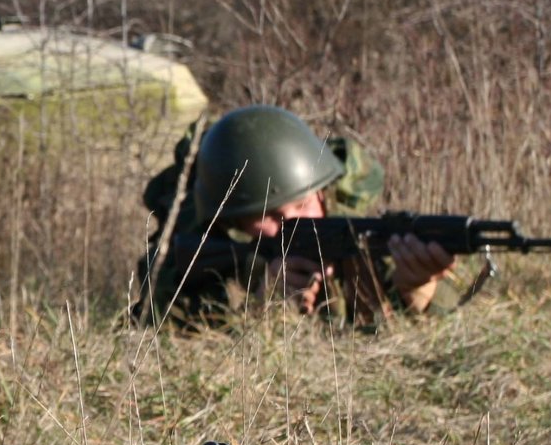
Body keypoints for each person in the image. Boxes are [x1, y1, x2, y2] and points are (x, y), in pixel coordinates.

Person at [137, 105, 460, 326]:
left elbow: (419, 333)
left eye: (304, 204)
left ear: (321, 190)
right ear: (231, 221)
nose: (295, 221)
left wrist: (417, 290)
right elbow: (158, 329)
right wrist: (261, 304)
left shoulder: (358, 233)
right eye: (271, 215)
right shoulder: (203, 251)